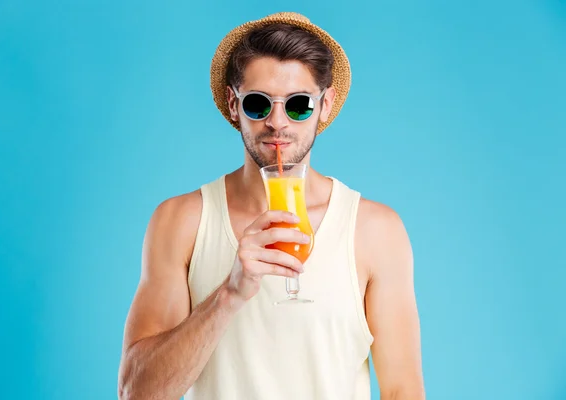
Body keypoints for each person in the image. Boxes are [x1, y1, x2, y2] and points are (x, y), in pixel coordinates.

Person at [117, 12, 425, 400]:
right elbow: (136, 393)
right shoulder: (181, 222)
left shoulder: (376, 231)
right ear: (233, 104)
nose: (277, 123)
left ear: (325, 105)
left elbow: (403, 390)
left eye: (298, 104)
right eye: (258, 104)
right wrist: (228, 295)